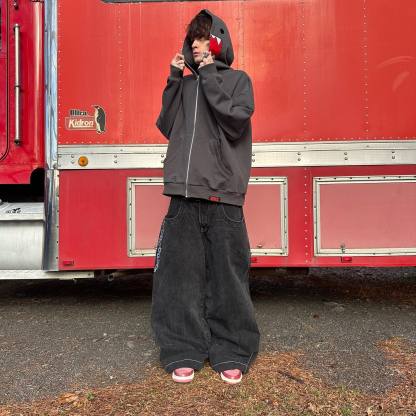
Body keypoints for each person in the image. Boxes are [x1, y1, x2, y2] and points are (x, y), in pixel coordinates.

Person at [151, 9, 260, 385]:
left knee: (228, 280)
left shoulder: (238, 81)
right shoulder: (185, 86)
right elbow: (167, 125)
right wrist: (173, 79)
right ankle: (182, 349)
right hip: (183, 195)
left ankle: (231, 350)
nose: (197, 44)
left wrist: (210, 74)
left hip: (224, 198)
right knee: (179, 279)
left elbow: (234, 121)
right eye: (193, 39)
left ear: (218, 42)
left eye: (204, 38)